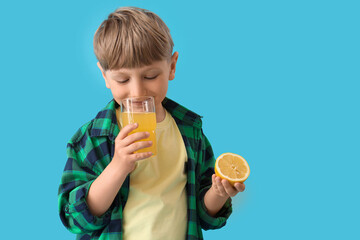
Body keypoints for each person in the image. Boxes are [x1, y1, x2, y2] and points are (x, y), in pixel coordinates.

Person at [58, 6, 245, 240]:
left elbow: (204, 215)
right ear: (105, 76)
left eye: (150, 76)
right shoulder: (91, 139)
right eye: (123, 79)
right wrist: (118, 166)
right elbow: (75, 219)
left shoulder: (191, 132)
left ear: (172, 66)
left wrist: (218, 194)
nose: (137, 92)